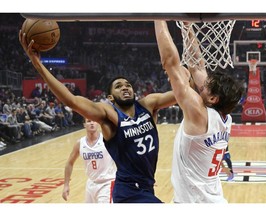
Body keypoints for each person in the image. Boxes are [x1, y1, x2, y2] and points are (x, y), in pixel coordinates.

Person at [19, 30, 176, 203]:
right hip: (129, 192)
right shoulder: (109, 114)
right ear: (110, 97)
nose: (125, 87)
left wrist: (184, 70)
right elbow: (72, 101)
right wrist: (38, 65)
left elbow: (181, 93)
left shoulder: (148, 104)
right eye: (118, 86)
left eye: (128, 85)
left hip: (147, 187)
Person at [155, 20, 244, 203]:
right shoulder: (224, 118)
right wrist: (187, 28)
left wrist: (159, 17)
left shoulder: (200, 113)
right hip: (212, 201)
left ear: (213, 99)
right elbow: (197, 66)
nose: (201, 84)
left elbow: (170, 64)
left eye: (205, 87)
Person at [62, 118, 116, 203]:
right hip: (91, 183)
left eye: (94, 120)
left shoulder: (107, 140)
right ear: (84, 125)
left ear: (98, 123)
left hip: (107, 183)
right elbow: (69, 163)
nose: (92, 123)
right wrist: (66, 185)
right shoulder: (80, 143)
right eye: (89, 121)